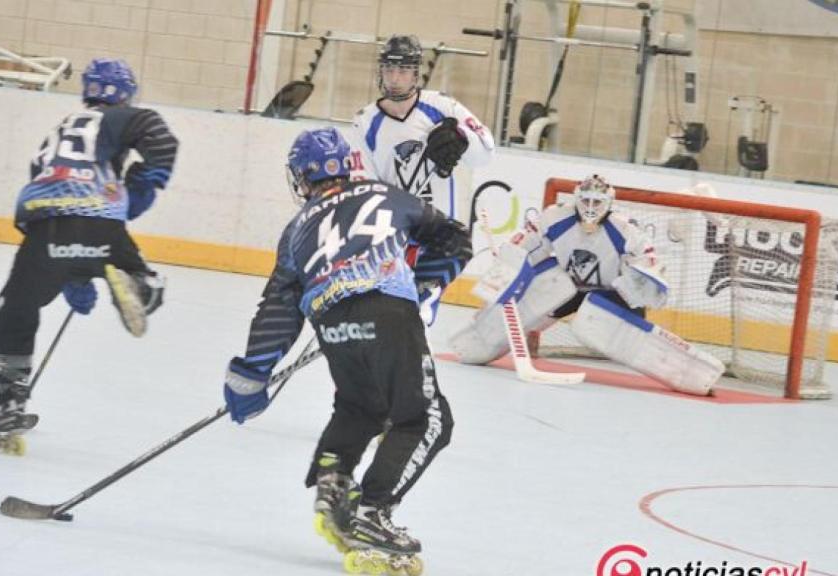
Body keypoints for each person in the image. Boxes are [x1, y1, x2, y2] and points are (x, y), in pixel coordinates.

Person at [221, 127, 472, 570]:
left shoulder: (296, 229)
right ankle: (372, 512)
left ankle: (333, 482)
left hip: (330, 321)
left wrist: (253, 373)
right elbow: (453, 238)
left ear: (301, 177)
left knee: (361, 406)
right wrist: (424, 283)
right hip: (389, 313)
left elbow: (279, 306)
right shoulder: (388, 196)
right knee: (427, 419)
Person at [0, 58, 178, 453]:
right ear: (126, 94)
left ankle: (10, 400)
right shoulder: (116, 118)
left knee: (13, 309)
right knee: (129, 265)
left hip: (48, 229)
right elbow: (159, 135)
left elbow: (47, 184)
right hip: (103, 223)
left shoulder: (60, 132)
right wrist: (145, 184)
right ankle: (142, 285)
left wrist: (70, 274)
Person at [449, 175, 724, 396]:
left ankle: (693, 374)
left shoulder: (625, 230)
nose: (591, 207)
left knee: (599, 317)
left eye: (597, 201)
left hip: (611, 295)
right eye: (586, 200)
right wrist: (508, 267)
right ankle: (474, 343)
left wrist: (638, 283)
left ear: (609, 203)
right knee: (554, 284)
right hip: (570, 289)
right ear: (576, 199)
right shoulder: (555, 217)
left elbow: (649, 267)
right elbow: (525, 247)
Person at [349, 34, 495, 220]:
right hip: (392, 230)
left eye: (403, 70)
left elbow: (485, 155)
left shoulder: (443, 107)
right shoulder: (364, 122)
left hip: (441, 228)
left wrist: (463, 139)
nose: (394, 79)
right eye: (389, 69)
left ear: (415, 74)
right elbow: (362, 186)